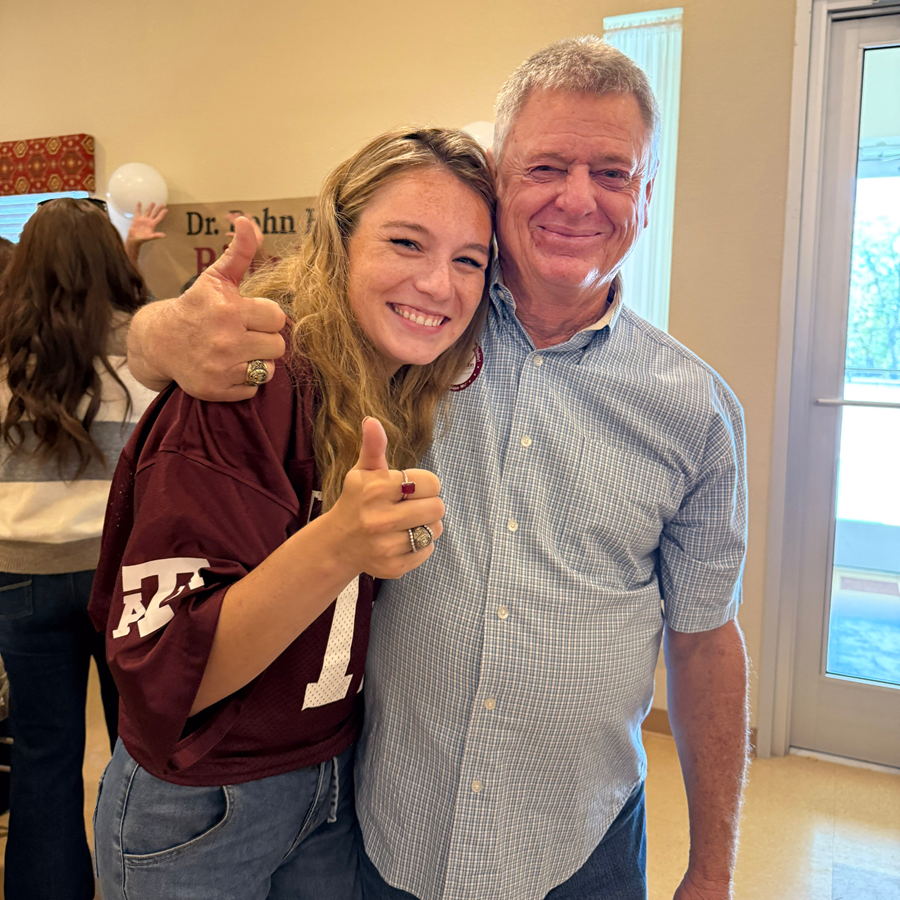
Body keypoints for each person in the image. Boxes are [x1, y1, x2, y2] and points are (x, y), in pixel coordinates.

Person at [125, 37, 750, 900]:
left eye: (613, 172)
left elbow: (707, 635)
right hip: (385, 831)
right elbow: (281, 320)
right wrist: (154, 336)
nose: (579, 197)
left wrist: (713, 866)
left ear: (647, 195)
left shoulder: (697, 410)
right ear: (500, 182)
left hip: (580, 847)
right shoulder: (413, 334)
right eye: (547, 167)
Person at [89, 126, 494, 900]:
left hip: (333, 782)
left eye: (469, 259)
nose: (440, 284)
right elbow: (165, 674)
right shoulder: (252, 382)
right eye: (407, 243)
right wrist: (336, 545)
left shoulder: (406, 388)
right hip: (204, 803)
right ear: (337, 244)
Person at [0, 197, 154, 900]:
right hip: (120, 575)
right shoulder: (146, 349)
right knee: (139, 754)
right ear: (109, 262)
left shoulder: (5, 350)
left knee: (43, 756)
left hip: (18, 574)